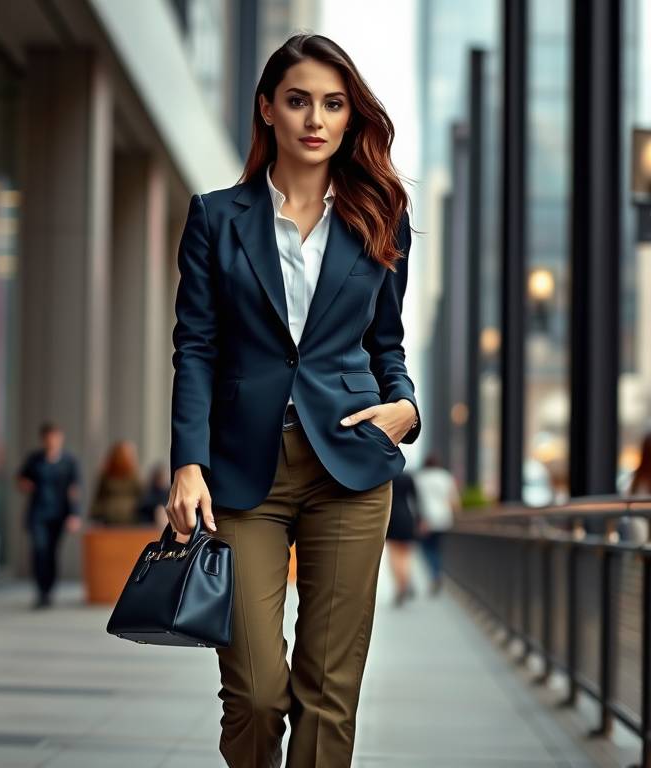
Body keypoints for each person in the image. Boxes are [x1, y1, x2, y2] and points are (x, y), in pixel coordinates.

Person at [166, 34, 420, 768]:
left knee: (328, 693)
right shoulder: (217, 218)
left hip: (351, 463)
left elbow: (388, 347)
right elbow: (197, 348)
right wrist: (188, 461)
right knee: (254, 691)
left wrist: (406, 407)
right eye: (299, 100)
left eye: (333, 104)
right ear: (267, 109)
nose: (316, 118)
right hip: (245, 470)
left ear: (349, 120)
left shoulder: (382, 217)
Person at [17, 422, 82, 608]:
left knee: (51, 552)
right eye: (48, 438)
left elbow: (74, 488)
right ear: (43, 439)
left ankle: (49, 590)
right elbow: (20, 478)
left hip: (58, 515)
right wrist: (25, 485)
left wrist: (74, 514)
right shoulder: (34, 459)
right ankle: (41, 590)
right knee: (39, 550)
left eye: (55, 437)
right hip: (38, 513)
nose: (52, 441)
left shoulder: (69, 461)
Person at [414, 454, 459, 594]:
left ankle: (436, 573)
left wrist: (420, 520)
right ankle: (439, 572)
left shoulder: (420, 478)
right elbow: (453, 499)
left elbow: (417, 501)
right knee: (438, 548)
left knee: (427, 549)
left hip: (426, 520)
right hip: (444, 518)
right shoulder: (446, 477)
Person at [88, 440, 144, 526]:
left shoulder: (134, 474)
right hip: (108, 519)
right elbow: (99, 496)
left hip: (131, 519)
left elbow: (142, 494)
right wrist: (95, 515)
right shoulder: (106, 474)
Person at [385, 470, 419, 606]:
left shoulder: (386, 476)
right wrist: (419, 520)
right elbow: (416, 501)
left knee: (394, 555)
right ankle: (404, 583)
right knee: (405, 555)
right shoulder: (408, 477)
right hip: (406, 517)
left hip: (390, 518)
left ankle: (399, 587)